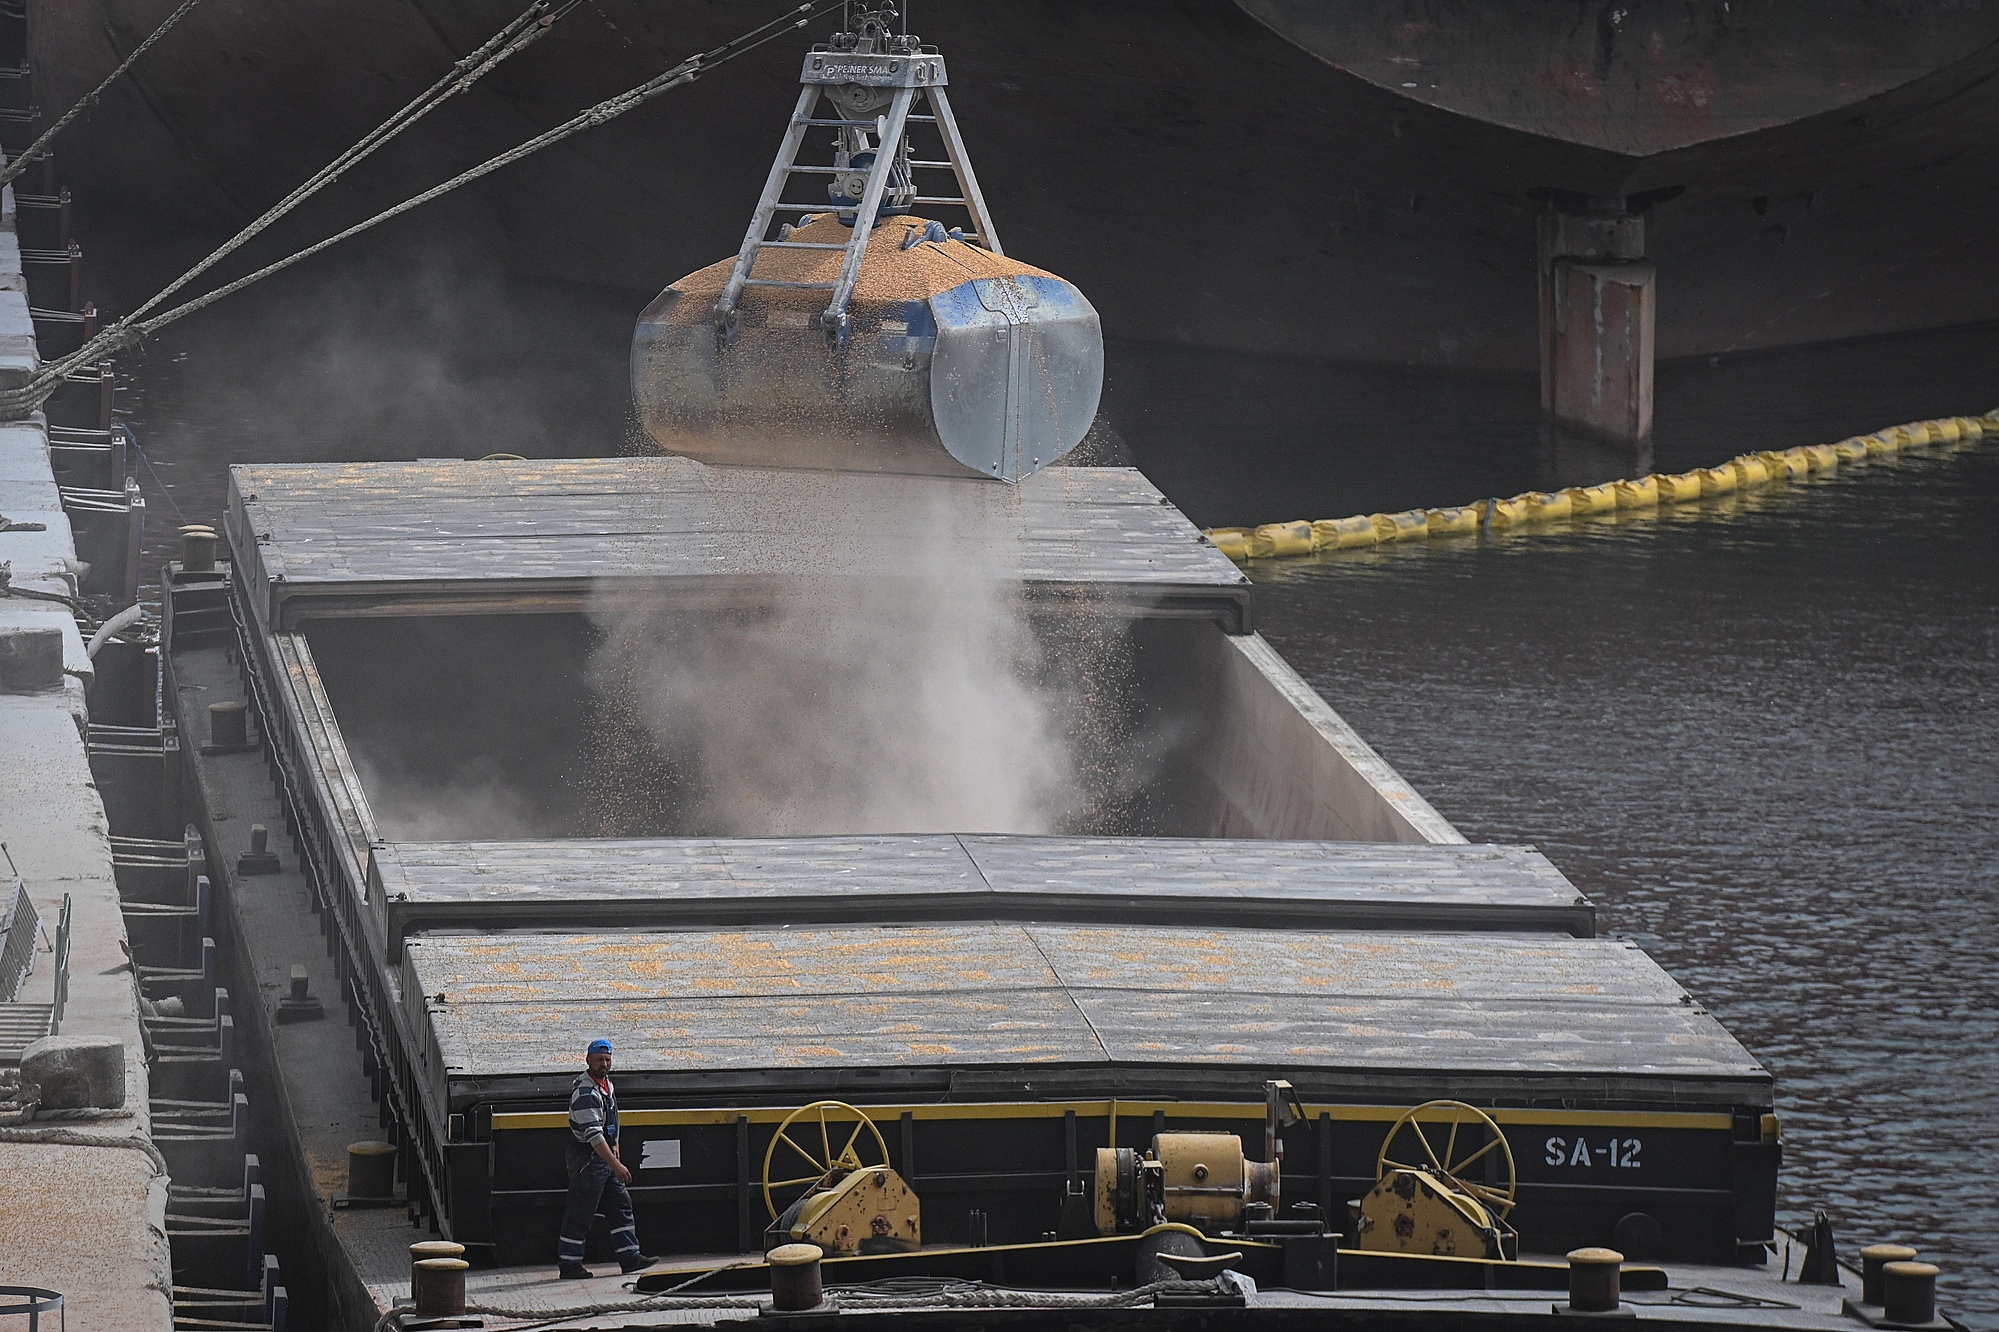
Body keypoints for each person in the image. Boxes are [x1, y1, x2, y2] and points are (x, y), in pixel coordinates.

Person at [557, 1038, 655, 1279]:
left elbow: (613, 1121)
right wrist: (617, 1165)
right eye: (599, 1059)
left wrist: (616, 1145)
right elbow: (593, 1135)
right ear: (588, 1060)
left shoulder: (606, 1086)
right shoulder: (586, 1092)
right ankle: (569, 1265)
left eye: (608, 1060)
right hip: (588, 1161)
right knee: (580, 1212)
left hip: (604, 1157)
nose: (604, 1064)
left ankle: (630, 1257)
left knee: (620, 1205)